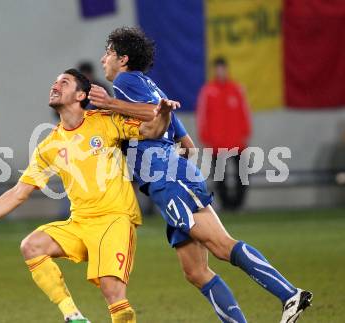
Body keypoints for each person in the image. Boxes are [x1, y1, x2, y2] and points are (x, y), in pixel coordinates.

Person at [88, 27, 312, 323]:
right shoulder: (153, 87)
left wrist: (111, 104)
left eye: (109, 53)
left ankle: (289, 294)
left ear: (124, 59)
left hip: (169, 181)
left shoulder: (126, 82)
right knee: (195, 272)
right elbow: (187, 144)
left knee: (221, 245)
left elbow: (152, 113)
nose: (104, 59)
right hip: (172, 178)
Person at [0, 68, 177, 323]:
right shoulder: (49, 145)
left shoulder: (104, 121)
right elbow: (19, 193)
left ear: (80, 95)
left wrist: (163, 113)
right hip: (79, 223)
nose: (55, 86)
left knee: (113, 293)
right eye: (54, 82)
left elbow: (151, 130)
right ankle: (73, 317)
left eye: (63, 83)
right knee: (32, 245)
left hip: (114, 219)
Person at [196, 57, 252, 211]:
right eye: (218, 68)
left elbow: (244, 113)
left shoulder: (236, 89)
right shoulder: (208, 91)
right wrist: (206, 137)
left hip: (237, 142)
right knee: (220, 177)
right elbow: (203, 116)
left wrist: (245, 133)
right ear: (214, 70)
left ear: (226, 69)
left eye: (223, 68)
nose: (220, 71)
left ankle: (237, 204)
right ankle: (227, 205)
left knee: (243, 175)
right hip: (217, 144)